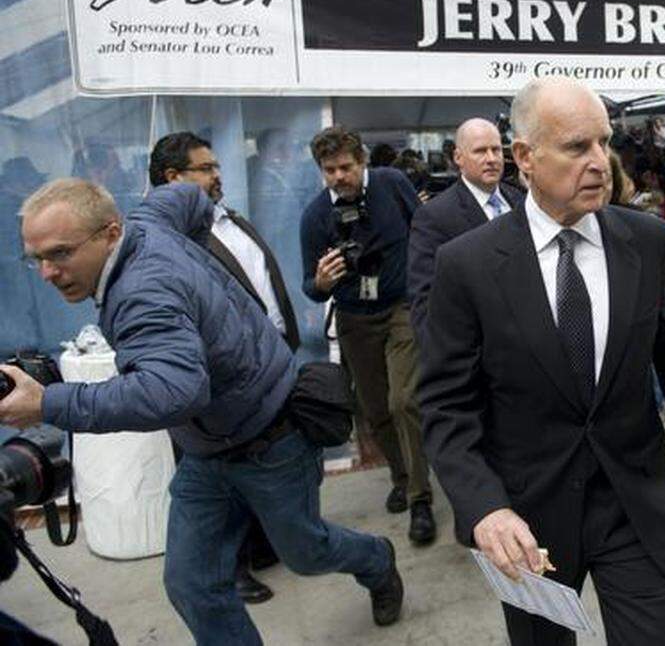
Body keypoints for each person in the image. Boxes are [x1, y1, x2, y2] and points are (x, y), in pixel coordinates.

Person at [0, 180, 404, 643]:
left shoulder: (143, 294)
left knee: (307, 553)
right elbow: (190, 195)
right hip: (208, 452)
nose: (48, 272)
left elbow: (172, 392)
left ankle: (377, 559)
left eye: (61, 254)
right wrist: (202, 280)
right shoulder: (150, 220)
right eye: (37, 259)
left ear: (111, 233)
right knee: (191, 583)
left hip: (273, 442)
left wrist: (47, 403)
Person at [417, 76, 665, 646]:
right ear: (525, 157)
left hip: (636, 504)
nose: (600, 163)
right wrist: (484, 509)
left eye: (603, 143)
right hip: (529, 523)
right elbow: (443, 404)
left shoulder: (648, 238)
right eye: (577, 147)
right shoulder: (468, 264)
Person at [149, 131, 302, 604]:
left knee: (261, 459)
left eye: (216, 166)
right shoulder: (168, 242)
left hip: (268, 360)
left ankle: (260, 546)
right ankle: (230, 567)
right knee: (219, 476)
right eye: (207, 168)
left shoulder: (226, 218)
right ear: (174, 179)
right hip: (224, 383)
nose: (218, 175)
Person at [300, 126, 437, 545]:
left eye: (345, 167)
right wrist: (322, 283)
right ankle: (401, 474)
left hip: (401, 306)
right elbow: (308, 284)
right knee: (374, 409)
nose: (339, 176)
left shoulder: (392, 185)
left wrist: (426, 287)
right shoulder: (315, 217)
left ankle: (420, 498)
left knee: (404, 401)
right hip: (355, 316)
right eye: (329, 170)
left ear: (361, 162)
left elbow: (426, 231)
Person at [407, 117, 523, 340]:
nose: (491, 159)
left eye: (496, 150)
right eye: (480, 151)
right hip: (478, 345)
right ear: (458, 158)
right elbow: (424, 299)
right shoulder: (434, 216)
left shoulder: (521, 201)